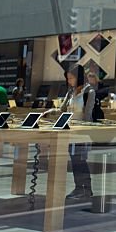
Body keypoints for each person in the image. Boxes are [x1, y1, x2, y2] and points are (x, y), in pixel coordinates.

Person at [43, 65, 95, 199]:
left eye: (71, 78)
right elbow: (62, 109)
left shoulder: (89, 91)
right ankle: (80, 188)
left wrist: (84, 131)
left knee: (80, 160)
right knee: (75, 160)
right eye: (68, 79)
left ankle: (85, 188)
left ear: (79, 77)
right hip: (70, 131)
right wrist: (49, 112)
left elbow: (88, 114)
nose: (69, 81)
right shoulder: (70, 92)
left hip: (81, 131)